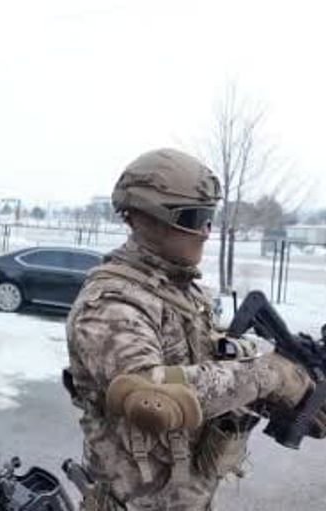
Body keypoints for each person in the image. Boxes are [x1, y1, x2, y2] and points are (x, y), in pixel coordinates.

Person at [64, 148, 324, 510]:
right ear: (147, 218)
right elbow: (149, 393)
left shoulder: (181, 293)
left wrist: (294, 397)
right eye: (195, 217)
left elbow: (205, 368)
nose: (206, 231)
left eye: (210, 217)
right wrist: (269, 376)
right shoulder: (110, 304)